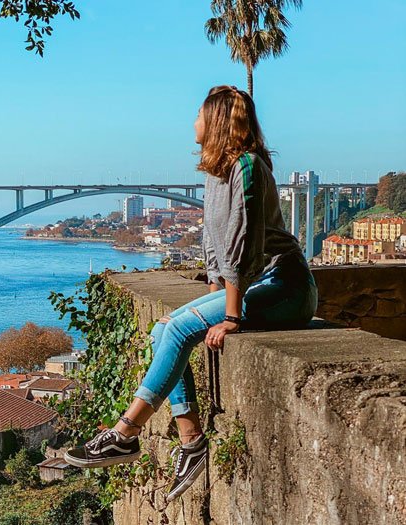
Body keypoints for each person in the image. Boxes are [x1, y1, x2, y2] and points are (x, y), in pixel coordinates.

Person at [63, 85, 318, 501]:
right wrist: (214, 303)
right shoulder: (217, 174)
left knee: (179, 329)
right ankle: (192, 439)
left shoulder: (247, 167)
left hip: (284, 286)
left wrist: (230, 317)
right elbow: (216, 250)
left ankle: (125, 432)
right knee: (163, 329)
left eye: (198, 115)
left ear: (215, 122)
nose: (192, 123)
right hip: (255, 286)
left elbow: (243, 244)